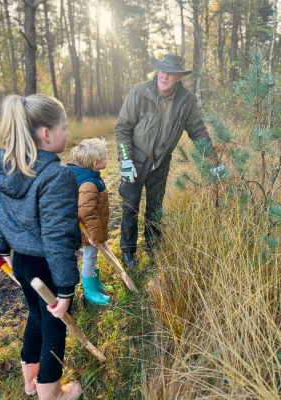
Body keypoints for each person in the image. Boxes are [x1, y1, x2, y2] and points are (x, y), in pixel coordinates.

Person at [0, 94, 82, 400]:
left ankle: (30, 381)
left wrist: (1, 248)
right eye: (64, 128)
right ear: (46, 134)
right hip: (47, 266)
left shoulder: (11, 167)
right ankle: (51, 393)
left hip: (22, 262)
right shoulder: (57, 175)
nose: (67, 134)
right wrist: (67, 288)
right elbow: (58, 237)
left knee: (36, 316)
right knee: (54, 327)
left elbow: (0, 213)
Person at [115, 54, 224, 268]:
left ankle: (153, 247)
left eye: (170, 73)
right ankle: (128, 253)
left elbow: (199, 132)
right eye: (162, 71)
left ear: (179, 77)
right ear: (158, 71)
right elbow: (122, 128)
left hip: (161, 163)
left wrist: (215, 162)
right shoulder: (139, 91)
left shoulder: (186, 100)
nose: (164, 76)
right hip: (134, 162)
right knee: (130, 207)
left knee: (155, 208)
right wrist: (125, 159)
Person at [69, 138, 111, 305]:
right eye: (105, 157)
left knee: (92, 257)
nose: (108, 158)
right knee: (89, 257)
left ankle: (95, 282)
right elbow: (86, 211)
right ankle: (89, 291)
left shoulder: (91, 176)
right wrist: (94, 235)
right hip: (87, 230)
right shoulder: (89, 183)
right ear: (95, 163)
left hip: (92, 229)